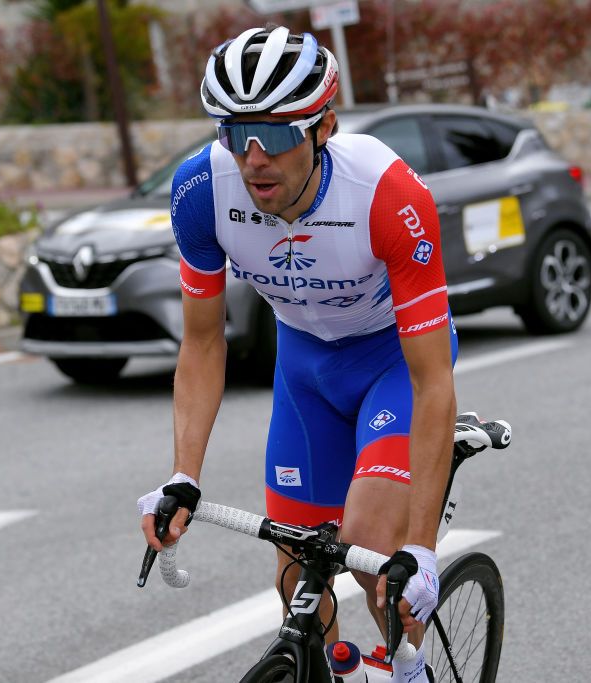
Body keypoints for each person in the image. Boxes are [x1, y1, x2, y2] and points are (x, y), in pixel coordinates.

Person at [136, 26, 456, 682]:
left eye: (277, 134)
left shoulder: (389, 196)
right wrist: (183, 474)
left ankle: (413, 668)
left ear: (324, 127)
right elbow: (201, 341)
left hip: (391, 363)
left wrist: (420, 545)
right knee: (294, 571)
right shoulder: (202, 191)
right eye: (235, 132)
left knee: (371, 550)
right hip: (305, 367)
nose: (254, 157)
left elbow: (432, 378)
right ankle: (343, 671)